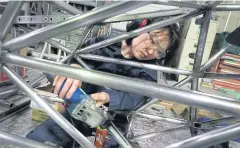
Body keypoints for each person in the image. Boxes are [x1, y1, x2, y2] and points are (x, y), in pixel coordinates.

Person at [26, 20, 179, 148]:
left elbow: (139, 96)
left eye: (159, 51)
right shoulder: (103, 43)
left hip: (113, 120)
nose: (151, 50)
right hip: (79, 110)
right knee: (36, 141)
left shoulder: (150, 68)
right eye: (152, 40)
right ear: (140, 27)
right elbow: (78, 57)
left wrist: (108, 97)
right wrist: (75, 67)